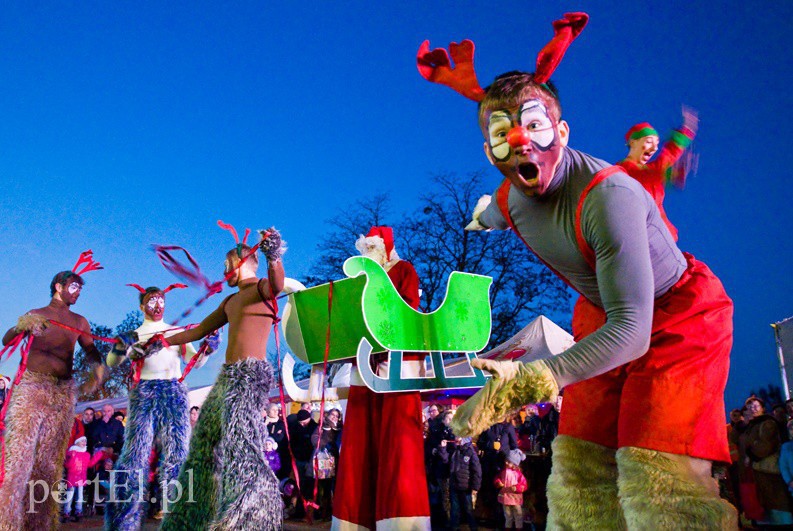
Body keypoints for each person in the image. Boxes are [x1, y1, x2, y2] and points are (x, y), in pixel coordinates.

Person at [419, 12, 736, 527]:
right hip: (599, 310)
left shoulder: (608, 196)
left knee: (656, 471)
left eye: (535, 125)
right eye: (504, 133)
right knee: (580, 467)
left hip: (677, 314)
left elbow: (632, 330)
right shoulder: (507, 197)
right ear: (489, 149)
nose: (521, 141)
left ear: (561, 131)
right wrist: (479, 221)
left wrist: (533, 379)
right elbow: (495, 212)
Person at [157, 225, 285, 530]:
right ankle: (191, 514)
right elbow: (198, 331)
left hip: (249, 378)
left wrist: (273, 254)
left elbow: (278, 284)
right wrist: (161, 340)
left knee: (242, 446)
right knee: (203, 443)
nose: (224, 270)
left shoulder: (261, 290)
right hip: (227, 381)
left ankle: (252, 516)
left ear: (245, 264)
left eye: (228, 265)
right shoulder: (228, 302)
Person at [332, 226, 431, 530]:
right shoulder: (361, 279)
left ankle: (402, 522)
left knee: (397, 443)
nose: (368, 255)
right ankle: (354, 520)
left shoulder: (403, 270)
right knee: (359, 446)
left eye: (372, 249)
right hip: (364, 364)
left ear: (385, 248)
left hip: (398, 365)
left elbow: (407, 309)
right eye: (365, 250)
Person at [0, 256, 107, 531]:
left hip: (62, 393)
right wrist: (24, 324)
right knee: (19, 461)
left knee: (48, 465)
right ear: (58, 286)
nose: (78, 291)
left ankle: (40, 524)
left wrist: (99, 368)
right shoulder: (37, 313)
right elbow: (7, 339)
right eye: (74, 286)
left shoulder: (80, 321)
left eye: (81, 288)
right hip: (32, 389)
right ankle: (8, 523)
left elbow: (91, 350)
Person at [104, 282, 217, 531]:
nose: (158, 305)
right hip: (143, 394)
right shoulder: (134, 335)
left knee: (178, 455)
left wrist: (207, 350)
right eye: (153, 301)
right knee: (134, 456)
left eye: (161, 300)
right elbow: (112, 361)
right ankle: (124, 521)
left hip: (173, 393)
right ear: (142, 305)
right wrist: (120, 347)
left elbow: (195, 362)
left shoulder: (176, 331)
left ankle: (180, 518)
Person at [616, 107, 698, 241]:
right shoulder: (623, 169)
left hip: (663, 234)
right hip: (641, 234)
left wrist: (685, 131)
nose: (654, 148)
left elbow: (667, 157)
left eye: (656, 144)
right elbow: (648, 175)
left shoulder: (648, 170)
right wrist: (670, 173)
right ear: (633, 142)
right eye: (649, 142)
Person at [741, 396, 793, 524]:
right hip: (759, 472)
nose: (753, 409)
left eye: (756, 406)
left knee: (779, 507)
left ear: (762, 408)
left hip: (771, 471)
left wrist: (751, 454)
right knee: (768, 509)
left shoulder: (768, 423)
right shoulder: (752, 426)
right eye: (750, 407)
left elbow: (765, 445)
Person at [440, 436, 481, 531]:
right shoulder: (455, 451)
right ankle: (454, 527)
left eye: (459, 437)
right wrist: (443, 448)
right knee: (454, 509)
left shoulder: (470, 452)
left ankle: (473, 527)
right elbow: (445, 461)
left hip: (466, 487)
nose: (456, 438)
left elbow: (477, 471)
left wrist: (475, 487)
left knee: (468, 509)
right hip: (454, 485)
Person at [62, 436, 106, 522]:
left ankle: (78, 512)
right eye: (82, 441)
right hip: (72, 478)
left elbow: (89, 464)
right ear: (77, 442)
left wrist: (98, 455)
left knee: (80, 496)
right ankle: (66, 512)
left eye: (85, 441)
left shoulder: (86, 454)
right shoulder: (71, 452)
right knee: (69, 496)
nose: (84, 443)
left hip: (81, 478)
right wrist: (71, 457)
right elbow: (67, 465)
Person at [495, 449, 528, 530]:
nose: (506, 463)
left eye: (509, 462)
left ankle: (518, 528)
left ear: (515, 464)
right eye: (506, 460)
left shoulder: (518, 474)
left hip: (515, 498)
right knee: (508, 515)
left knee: (518, 515)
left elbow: (524, 485)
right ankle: (508, 528)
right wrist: (498, 482)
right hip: (505, 497)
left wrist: (517, 488)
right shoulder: (503, 471)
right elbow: (497, 478)